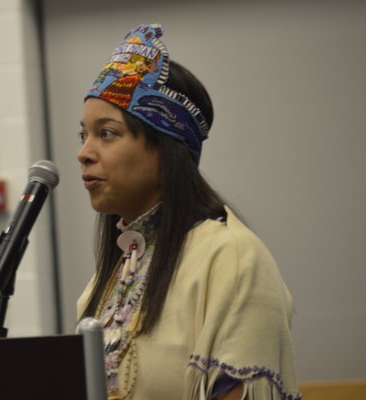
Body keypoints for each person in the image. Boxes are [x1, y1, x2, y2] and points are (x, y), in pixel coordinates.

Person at [76, 24, 301, 400]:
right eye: (82, 135)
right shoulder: (106, 280)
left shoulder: (232, 257)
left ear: (164, 146)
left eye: (107, 133)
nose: (84, 152)